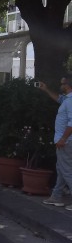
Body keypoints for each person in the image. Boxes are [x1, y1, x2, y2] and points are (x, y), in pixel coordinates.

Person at [39, 77, 72, 209]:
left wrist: (63, 139)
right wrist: (46, 89)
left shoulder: (71, 101)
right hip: (64, 140)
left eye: (62, 83)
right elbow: (58, 99)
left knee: (66, 170)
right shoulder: (67, 99)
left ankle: (57, 195)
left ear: (68, 85)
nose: (60, 85)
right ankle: (56, 196)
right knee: (61, 169)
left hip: (66, 141)